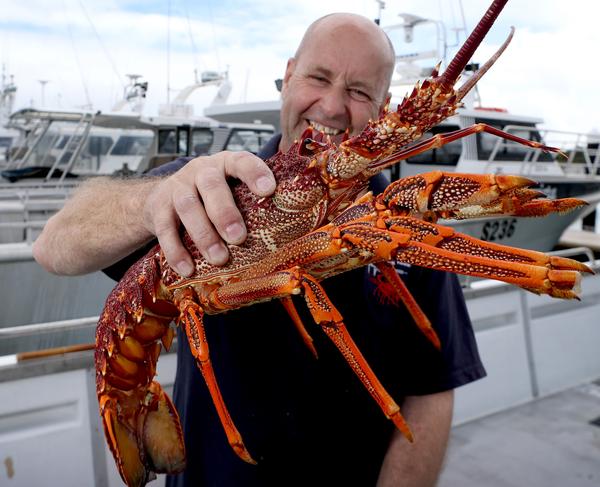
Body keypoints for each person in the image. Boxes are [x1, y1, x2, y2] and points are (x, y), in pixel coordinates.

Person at [34, 13, 485, 487]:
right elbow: (53, 244)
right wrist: (152, 202)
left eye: (358, 91)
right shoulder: (208, 187)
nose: (331, 107)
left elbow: (434, 386)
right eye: (318, 77)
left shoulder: (401, 222)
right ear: (289, 77)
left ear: (383, 107)